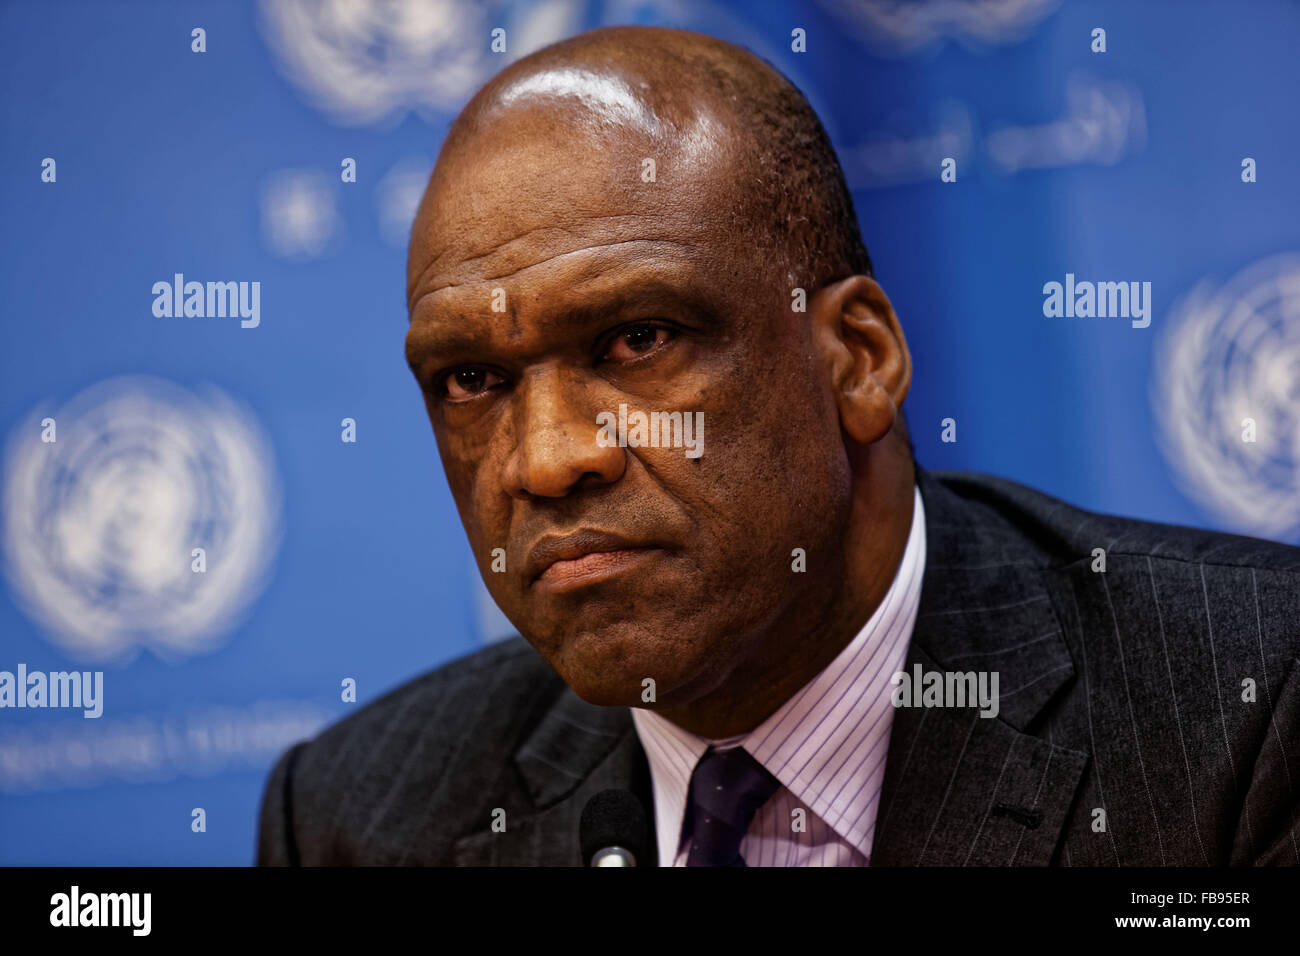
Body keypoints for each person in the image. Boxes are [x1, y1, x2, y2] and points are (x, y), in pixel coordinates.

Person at [257, 26, 1300, 866]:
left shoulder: (1246, 715)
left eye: (638, 338)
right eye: (472, 380)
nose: (544, 458)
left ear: (858, 358)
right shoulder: (358, 820)